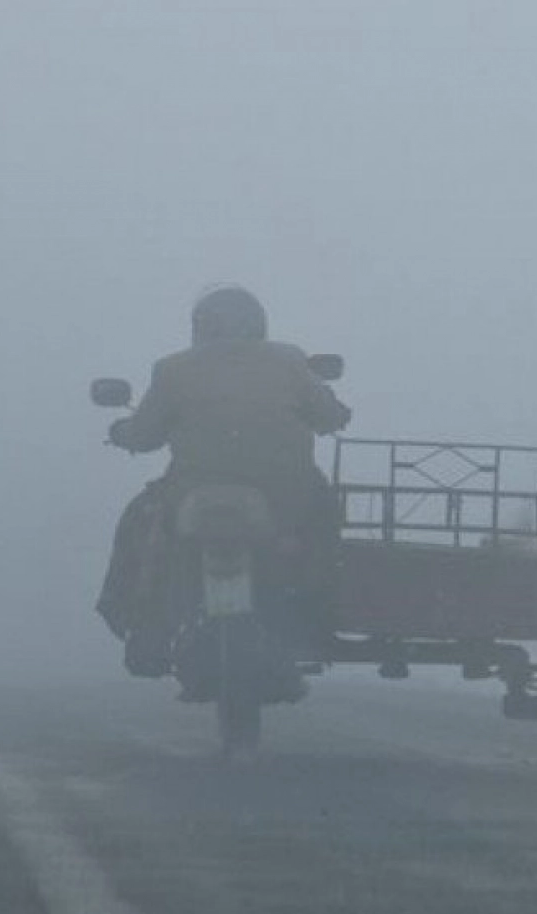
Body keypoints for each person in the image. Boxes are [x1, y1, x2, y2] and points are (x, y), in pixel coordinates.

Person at [95, 285, 351, 675]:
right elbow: (329, 415)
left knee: (141, 525)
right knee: (326, 521)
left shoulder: (172, 369)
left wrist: (121, 432)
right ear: (258, 324)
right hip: (285, 497)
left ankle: (143, 626)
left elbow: (144, 435)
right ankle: (320, 612)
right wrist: (336, 413)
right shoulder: (289, 361)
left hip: (192, 493)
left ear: (200, 326)